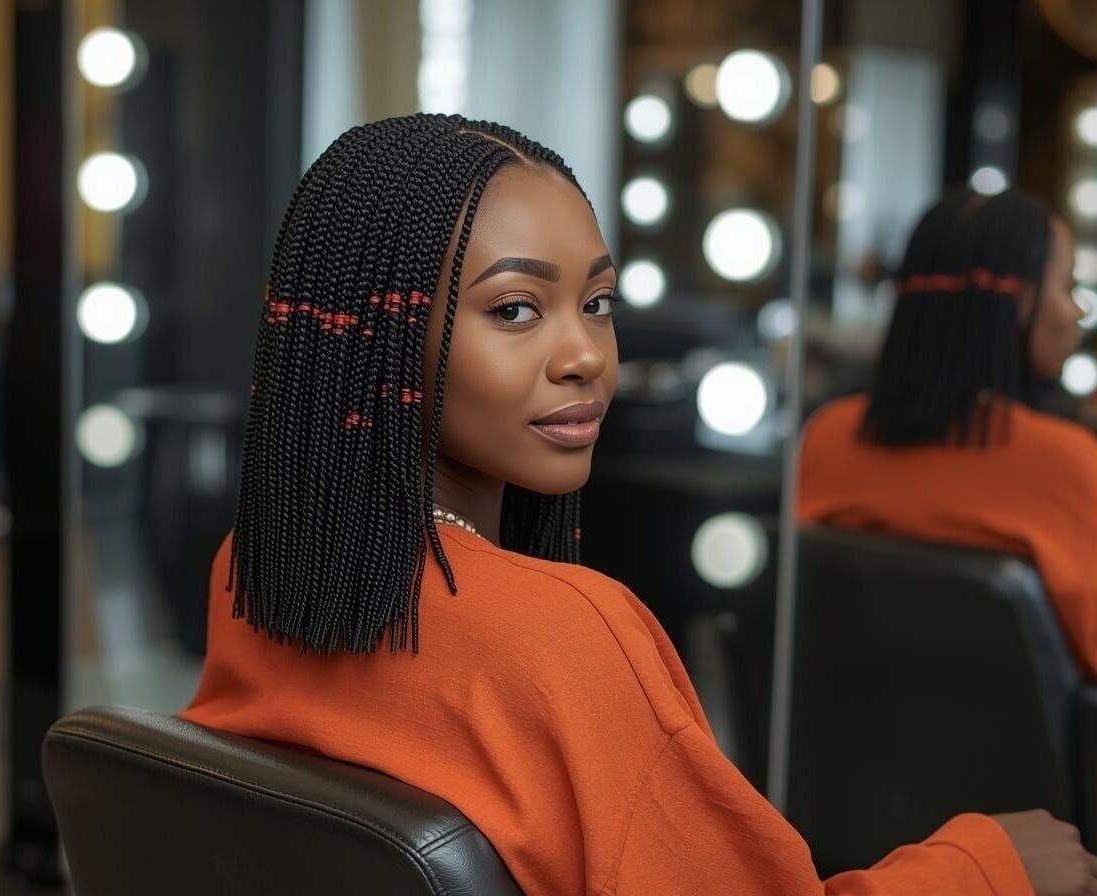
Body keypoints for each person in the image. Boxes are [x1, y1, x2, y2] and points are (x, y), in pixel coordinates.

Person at [182, 117, 1093, 895]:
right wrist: (988, 867)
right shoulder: (565, 639)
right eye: (514, 310)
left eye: (599, 301)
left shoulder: (256, 571)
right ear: (377, 338)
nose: (585, 354)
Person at [798, 189, 1097, 680]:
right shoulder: (1063, 463)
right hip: (1017, 755)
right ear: (1019, 298)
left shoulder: (829, 439)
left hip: (847, 750)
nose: (1077, 313)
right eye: (1067, 287)